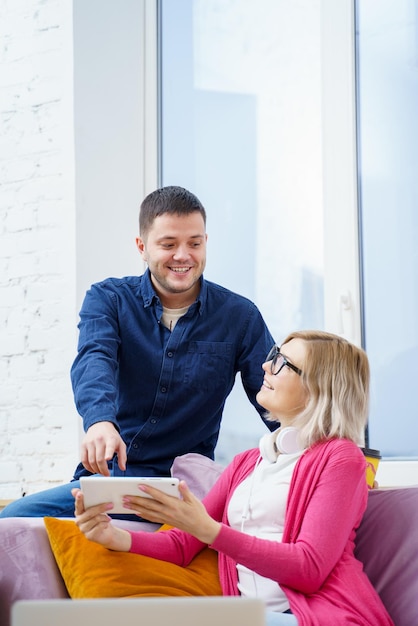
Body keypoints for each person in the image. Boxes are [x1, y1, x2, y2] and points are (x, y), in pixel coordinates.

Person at [72, 330, 394, 626]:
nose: (266, 365)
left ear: (318, 388)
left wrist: (211, 530)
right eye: (274, 354)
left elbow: (308, 568)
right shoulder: (247, 463)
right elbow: (184, 544)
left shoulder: (341, 458)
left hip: (323, 616)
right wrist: (112, 536)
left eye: (283, 363)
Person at [0, 185, 275, 519]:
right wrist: (99, 421)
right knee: (12, 519)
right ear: (142, 248)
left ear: (206, 242)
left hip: (186, 489)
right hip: (111, 480)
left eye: (195, 243)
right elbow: (94, 357)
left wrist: (318, 451)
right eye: (168, 244)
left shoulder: (239, 316)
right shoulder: (109, 299)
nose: (183, 255)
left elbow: (275, 394)